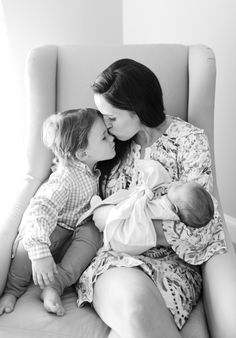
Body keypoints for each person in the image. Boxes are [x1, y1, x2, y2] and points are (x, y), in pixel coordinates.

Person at [75, 59, 227, 338]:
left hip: (172, 266)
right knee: (135, 307)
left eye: (111, 118)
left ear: (138, 109)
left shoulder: (189, 142)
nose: (105, 127)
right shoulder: (107, 146)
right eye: (102, 116)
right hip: (114, 261)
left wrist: (129, 229)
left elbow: (201, 228)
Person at [0, 108, 115, 317]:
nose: (112, 137)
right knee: (26, 249)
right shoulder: (66, 178)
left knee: (92, 235)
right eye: (104, 137)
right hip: (49, 233)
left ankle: (55, 285)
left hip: (72, 234)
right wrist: (40, 252)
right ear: (82, 153)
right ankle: (12, 290)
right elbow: (40, 211)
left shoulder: (90, 171)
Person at [80, 159, 215, 256]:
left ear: (176, 208)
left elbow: (144, 210)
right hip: (125, 233)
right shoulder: (171, 201)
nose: (178, 182)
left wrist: (145, 193)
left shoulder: (165, 210)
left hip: (126, 233)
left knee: (109, 213)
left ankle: (97, 209)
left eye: (179, 186)